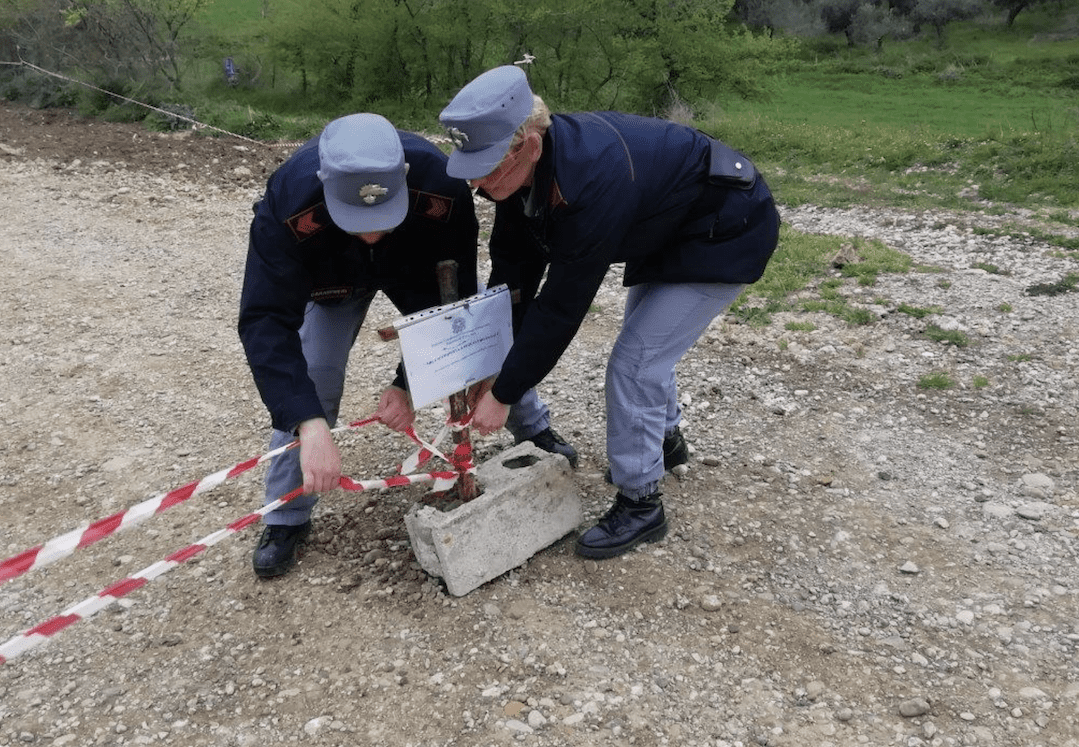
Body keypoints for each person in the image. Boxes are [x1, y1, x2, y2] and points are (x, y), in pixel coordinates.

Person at [439, 66, 780, 560]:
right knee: (646, 344)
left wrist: (506, 391)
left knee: (636, 361)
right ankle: (665, 441)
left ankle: (642, 504)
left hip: (726, 228)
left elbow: (561, 304)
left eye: (488, 167)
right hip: (670, 225)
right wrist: (492, 363)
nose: (477, 181)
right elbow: (512, 278)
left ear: (530, 145)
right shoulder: (516, 179)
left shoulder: (591, 177)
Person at [238, 112, 577, 578]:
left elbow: (453, 302)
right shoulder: (287, 202)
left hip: (415, 268)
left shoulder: (441, 184)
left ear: (403, 178)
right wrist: (308, 423)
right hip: (333, 279)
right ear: (324, 185)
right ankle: (286, 515)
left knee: (479, 335)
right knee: (314, 377)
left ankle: (532, 426)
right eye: (358, 220)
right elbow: (265, 321)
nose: (372, 232)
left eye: (381, 216)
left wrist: (408, 383)